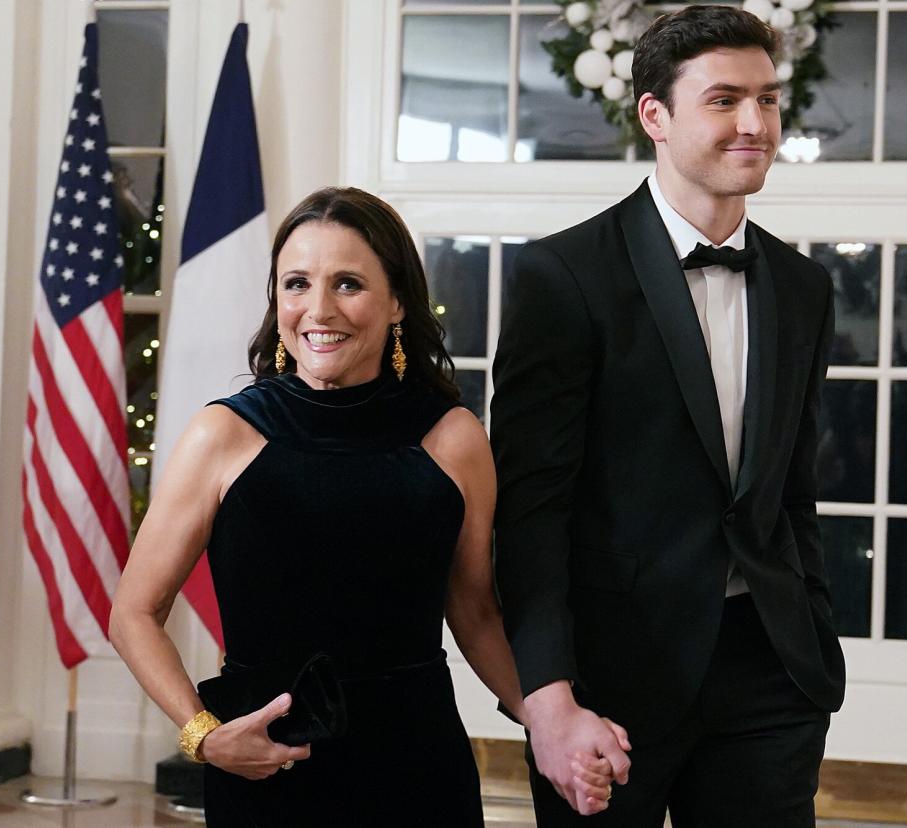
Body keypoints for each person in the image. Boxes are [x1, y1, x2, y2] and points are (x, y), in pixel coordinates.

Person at [110, 187, 616, 825]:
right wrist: (202, 736)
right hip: (271, 767)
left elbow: (476, 611)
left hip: (418, 765)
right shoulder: (222, 435)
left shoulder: (453, 438)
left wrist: (554, 721)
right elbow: (133, 612)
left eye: (348, 283)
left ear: (397, 300)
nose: (318, 309)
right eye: (297, 284)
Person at [491, 6, 846, 826]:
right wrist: (545, 698)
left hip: (770, 677)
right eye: (724, 99)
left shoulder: (803, 289)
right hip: (610, 683)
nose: (754, 123)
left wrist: (811, 635)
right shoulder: (564, 275)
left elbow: (792, 491)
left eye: (766, 99)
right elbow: (530, 508)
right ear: (655, 115)